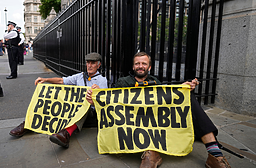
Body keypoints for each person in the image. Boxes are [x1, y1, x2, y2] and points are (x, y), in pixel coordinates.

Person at [87, 52, 230, 168]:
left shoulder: (156, 82)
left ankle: (214, 154)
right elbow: (111, 102)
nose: (140, 66)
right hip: (133, 122)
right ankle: (151, 153)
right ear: (133, 66)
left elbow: (167, 100)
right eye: (137, 63)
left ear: (149, 67)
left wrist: (183, 89)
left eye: (144, 63)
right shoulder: (123, 82)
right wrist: (96, 97)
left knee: (189, 99)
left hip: (156, 120)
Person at [9, 52, 108, 148]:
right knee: (51, 98)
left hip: (89, 112)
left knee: (83, 106)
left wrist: (95, 97)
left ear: (98, 65)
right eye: (88, 62)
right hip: (75, 108)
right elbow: (61, 81)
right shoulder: (80, 76)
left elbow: (104, 105)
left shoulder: (102, 81)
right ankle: (27, 124)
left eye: (93, 63)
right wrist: (45, 80)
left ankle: (65, 134)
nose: (89, 65)